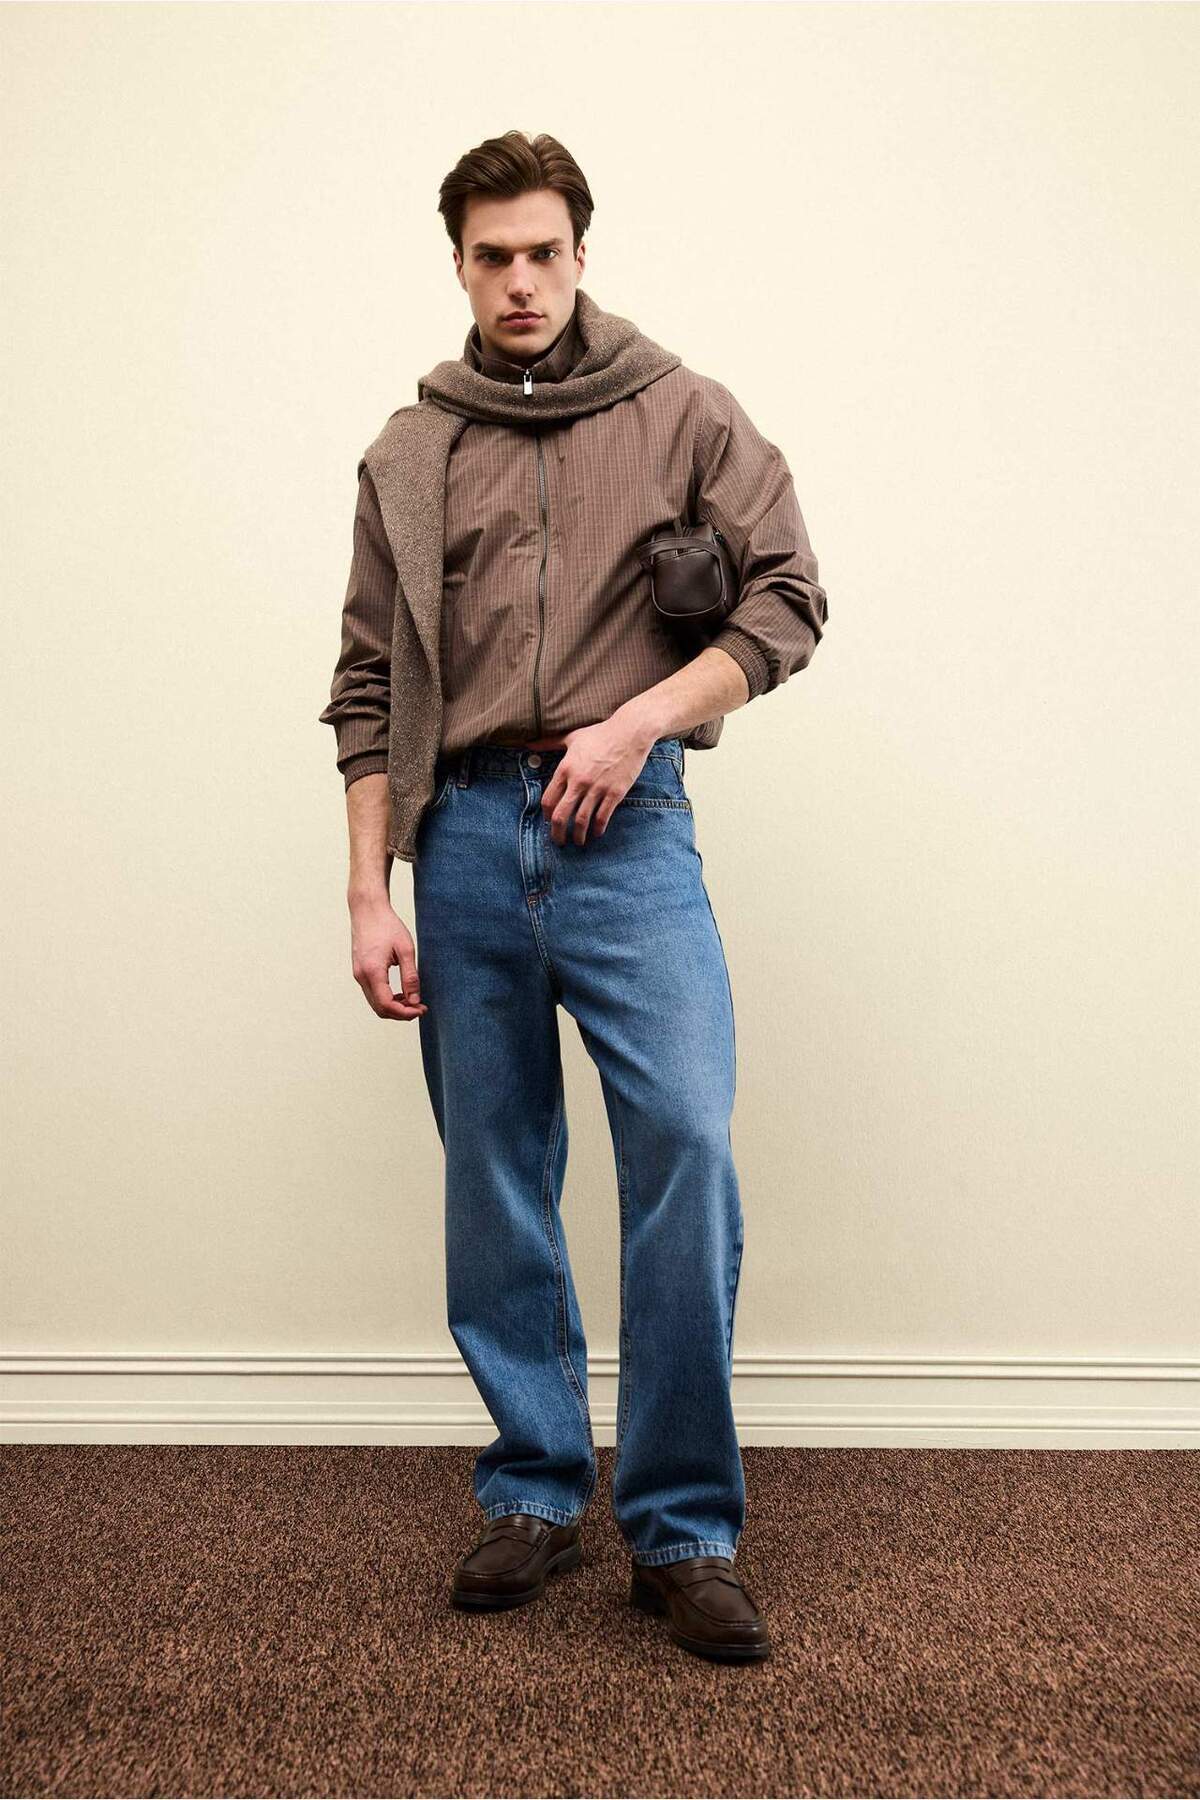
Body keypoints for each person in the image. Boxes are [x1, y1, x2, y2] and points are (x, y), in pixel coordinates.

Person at [318, 130, 828, 1663]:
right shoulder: (411, 450)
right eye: (493, 257)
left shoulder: (683, 414)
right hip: (464, 838)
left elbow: (788, 600)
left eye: (544, 251)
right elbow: (365, 684)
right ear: (459, 266)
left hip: (630, 831)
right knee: (495, 1170)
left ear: (582, 253)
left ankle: (682, 1528)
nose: (521, 280)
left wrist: (636, 724)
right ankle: (536, 1488)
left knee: (684, 1142)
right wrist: (368, 891)